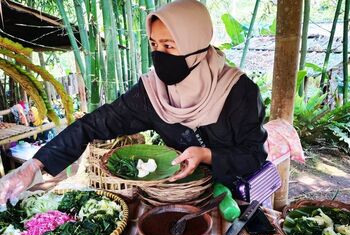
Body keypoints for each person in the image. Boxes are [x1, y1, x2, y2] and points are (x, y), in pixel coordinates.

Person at [0, 0, 267, 210]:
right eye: (153, 44)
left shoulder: (238, 91)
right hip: (180, 193)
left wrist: (206, 155)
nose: (158, 54)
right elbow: (91, 125)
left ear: (195, 43)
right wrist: (33, 167)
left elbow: (254, 156)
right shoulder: (152, 92)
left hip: (238, 195)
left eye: (169, 45)